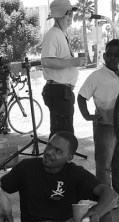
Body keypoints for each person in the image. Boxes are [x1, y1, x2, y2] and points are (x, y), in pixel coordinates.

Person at [77, 39, 119, 205]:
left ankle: (118, 191)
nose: (112, 58)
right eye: (109, 54)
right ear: (104, 55)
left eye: (117, 55)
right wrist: (88, 116)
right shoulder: (96, 76)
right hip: (105, 127)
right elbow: (81, 96)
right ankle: (105, 198)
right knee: (104, 165)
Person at [41, 0, 86, 137]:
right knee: (62, 135)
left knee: (61, 133)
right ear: (59, 15)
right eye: (68, 13)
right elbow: (46, 61)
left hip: (62, 92)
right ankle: (59, 158)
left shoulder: (60, 34)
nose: (71, 17)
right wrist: (72, 62)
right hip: (58, 91)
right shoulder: (53, 34)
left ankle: (59, 157)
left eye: (71, 13)